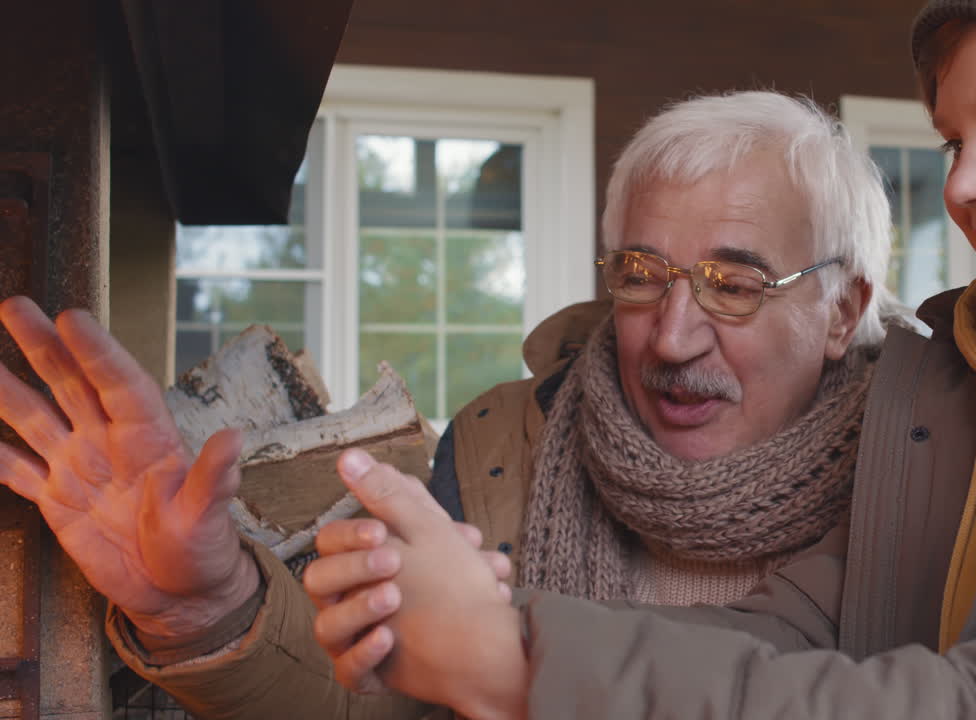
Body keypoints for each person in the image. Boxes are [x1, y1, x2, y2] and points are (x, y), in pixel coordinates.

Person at [305, 0, 976, 717]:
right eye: (950, 143)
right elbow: (793, 634)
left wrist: (511, 665)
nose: (962, 185)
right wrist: (481, 621)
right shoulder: (955, 388)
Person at [0, 90, 899, 717]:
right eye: (641, 274)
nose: (670, 338)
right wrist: (200, 603)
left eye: (732, 284)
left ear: (842, 312)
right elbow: (378, 699)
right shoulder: (496, 443)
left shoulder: (935, 480)